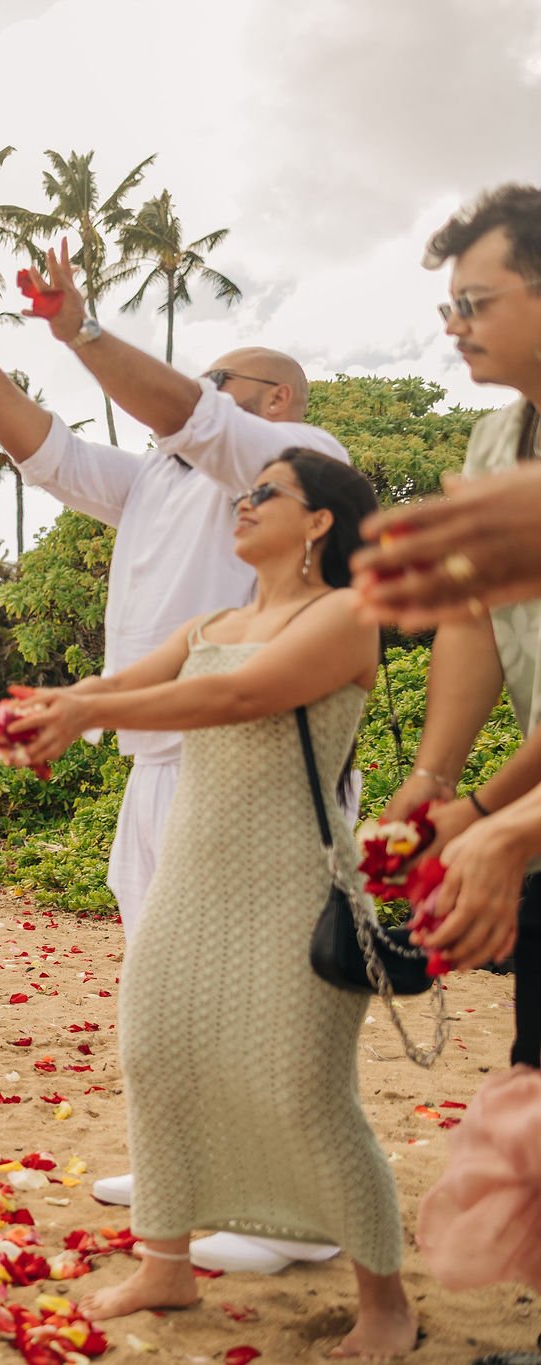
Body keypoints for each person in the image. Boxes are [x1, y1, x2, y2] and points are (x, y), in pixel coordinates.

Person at [0, 243, 353, 1275]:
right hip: (156, 766)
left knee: (261, 989)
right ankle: (185, 1175)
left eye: (216, 382)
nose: (194, 396)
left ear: (267, 398)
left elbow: (184, 416)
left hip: (248, 766)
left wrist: (79, 331)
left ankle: (298, 1217)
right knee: (164, 985)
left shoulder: (291, 454)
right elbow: (51, 456)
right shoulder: (164, 478)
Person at [0, 453, 413, 1357]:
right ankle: (166, 1260)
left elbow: (239, 693)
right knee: (157, 1056)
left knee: (306, 1091)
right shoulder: (213, 620)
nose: (243, 500)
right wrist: (51, 704)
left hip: (295, 874)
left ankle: (385, 1300)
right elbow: (119, 682)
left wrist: (86, 717)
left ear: (318, 524)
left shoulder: (346, 614)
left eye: (266, 491)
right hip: (194, 872)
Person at [347, 186, 541, 1363]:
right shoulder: (490, 441)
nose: (452, 325)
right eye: (446, 304)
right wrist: (440, 783)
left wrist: (502, 824)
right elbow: (473, 618)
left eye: (474, 302)